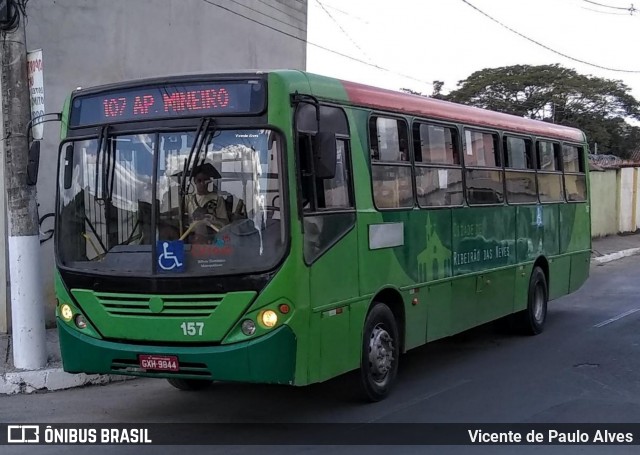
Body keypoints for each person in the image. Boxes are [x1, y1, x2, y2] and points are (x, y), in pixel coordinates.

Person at [184, 163, 230, 239]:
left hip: (213, 234)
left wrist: (212, 218)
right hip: (191, 235)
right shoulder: (188, 199)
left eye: (205, 180)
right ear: (194, 181)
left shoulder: (217, 198)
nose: (202, 183)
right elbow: (180, 217)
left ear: (209, 181)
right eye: (199, 180)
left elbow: (225, 222)